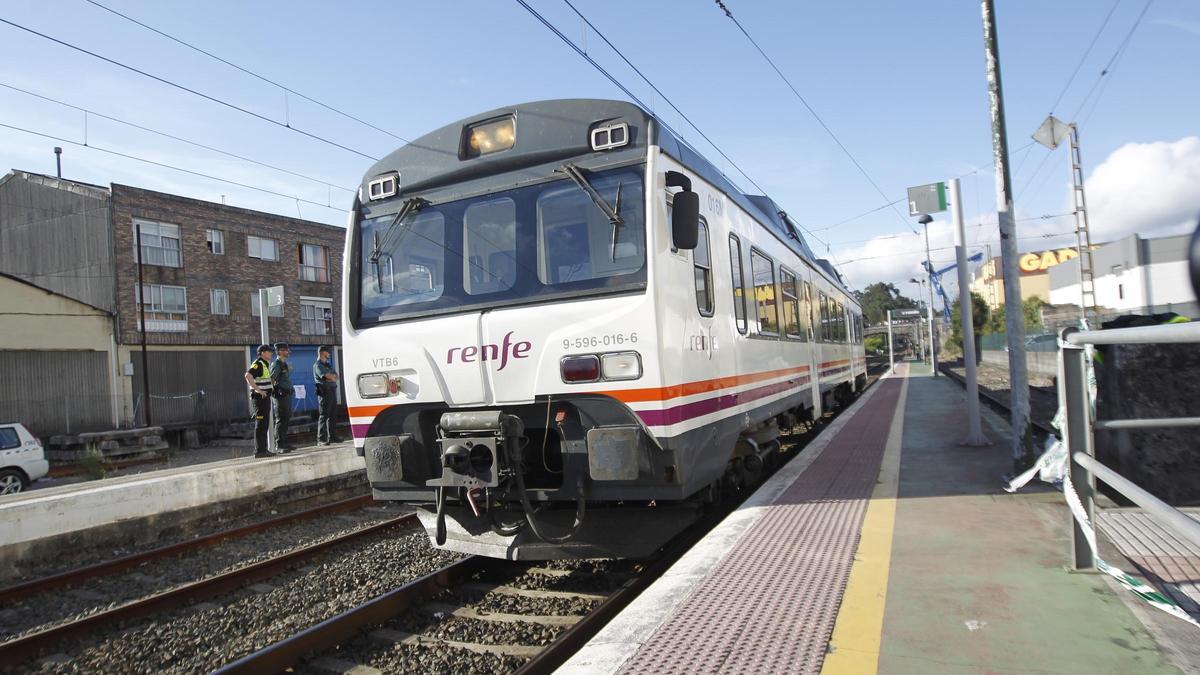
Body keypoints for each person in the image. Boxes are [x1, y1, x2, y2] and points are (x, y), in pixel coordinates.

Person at [243, 344, 275, 458]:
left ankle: (263, 449)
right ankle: (259, 451)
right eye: (269, 351)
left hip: (264, 398)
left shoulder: (265, 364)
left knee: (264, 424)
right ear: (262, 353)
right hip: (260, 398)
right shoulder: (258, 364)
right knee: (261, 424)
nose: (271, 353)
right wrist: (259, 390)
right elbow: (248, 375)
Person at [313, 345, 340, 445]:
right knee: (324, 415)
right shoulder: (318, 365)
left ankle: (332, 437)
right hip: (324, 392)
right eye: (327, 352)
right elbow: (327, 376)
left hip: (332, 391)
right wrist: (330, 377)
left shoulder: (328, 365)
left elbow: (336, 376)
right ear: (322, 353)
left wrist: (331, 377)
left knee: (332, 415)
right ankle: (321, 439)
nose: (329, 353)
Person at [270, 342, 295, 452]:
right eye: (285, 350)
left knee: (286, 419)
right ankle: (279, 445)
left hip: (287, 394)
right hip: (280, 396)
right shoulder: (277, 364)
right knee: (280, 419)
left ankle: (284, 443)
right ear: (279, 351)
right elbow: (272, 379)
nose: (287, 352)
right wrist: (273, 392)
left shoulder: (284, 364)